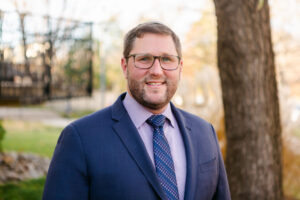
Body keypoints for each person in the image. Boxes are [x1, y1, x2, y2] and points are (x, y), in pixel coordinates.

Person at [43, 21, 231, 200]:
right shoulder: (80, 138)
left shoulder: (205, 132)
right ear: (125, 67)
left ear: (180, 68)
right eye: (144, 59)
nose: (157, 70)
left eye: (167, 59)